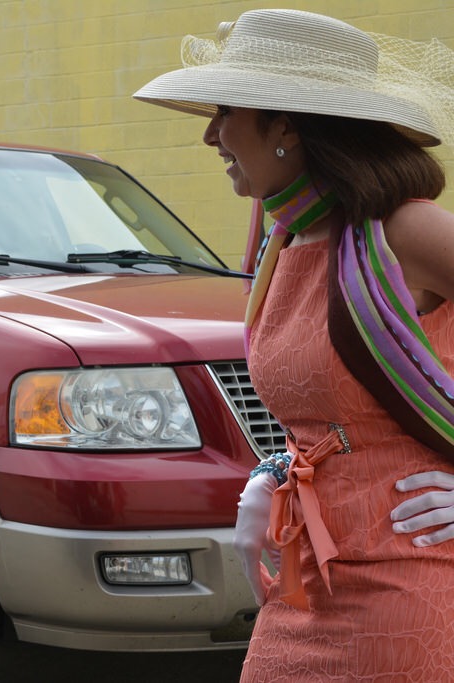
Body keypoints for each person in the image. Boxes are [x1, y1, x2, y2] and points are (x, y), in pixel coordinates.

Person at [135, 9, 454, 680]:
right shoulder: (287, 239)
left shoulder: (405, 230)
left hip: (409, 583)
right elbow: (338, 420)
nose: (210, 134)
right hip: (306, 575)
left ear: (285, 127)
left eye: (226, 111)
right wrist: (274, 471)